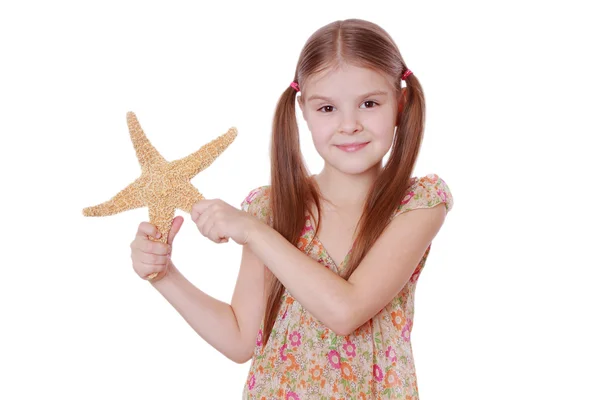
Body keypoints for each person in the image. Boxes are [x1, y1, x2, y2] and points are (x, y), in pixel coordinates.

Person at [130, 18, 454, 400]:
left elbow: (346, 311)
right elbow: (239, 339)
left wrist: (252, 231)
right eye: (328, 107)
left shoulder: (418, 204)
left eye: (369, 103)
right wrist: (164, 274)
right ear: (303, 109)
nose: (349, 125)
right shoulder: (271, 208)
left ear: (399, 103)